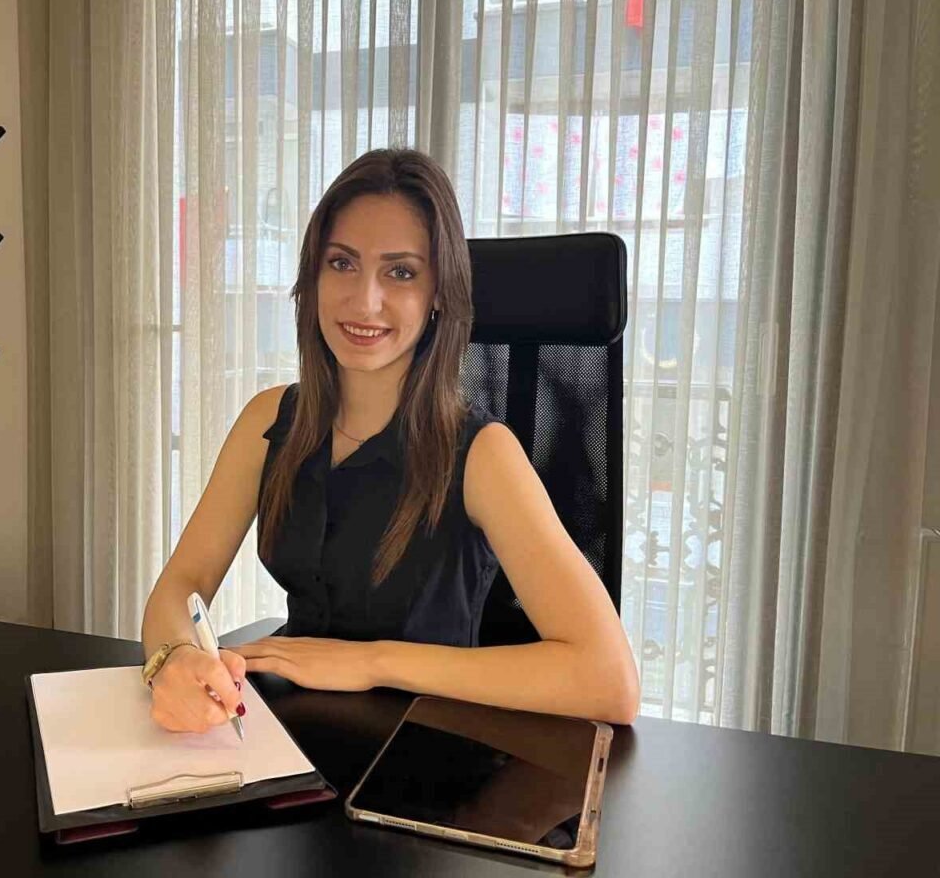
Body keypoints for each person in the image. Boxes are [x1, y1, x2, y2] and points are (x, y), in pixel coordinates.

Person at [140, 148, 639, 735]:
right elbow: (181, 587)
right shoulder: (269, 421)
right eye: (342, 263)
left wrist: (371, 662)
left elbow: (609, 681)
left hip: (425, 748)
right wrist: (176, 659)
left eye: (400, 272)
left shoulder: (482, 454)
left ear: (438, 293)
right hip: (287, 736)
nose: (364, 301)